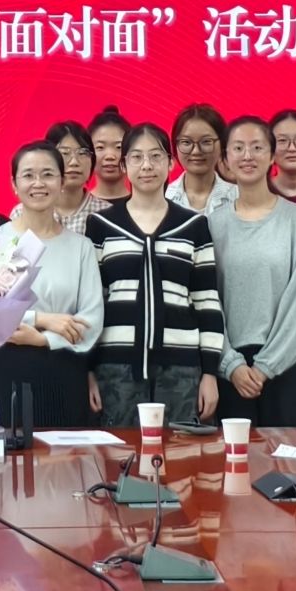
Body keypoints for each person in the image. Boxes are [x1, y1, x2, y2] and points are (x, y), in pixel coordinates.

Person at [86, 122, 223, 425]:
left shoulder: (193, 225)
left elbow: (207, 301)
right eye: (136, 157)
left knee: (181, 451)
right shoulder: (101, 225)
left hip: (181, 368)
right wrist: (89, 370)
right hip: (116, 368)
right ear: (124, 165)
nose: (146, 165)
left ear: (171, 163)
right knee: (120, 450)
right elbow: (92, 303)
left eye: (156, 156)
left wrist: (210, 373)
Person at [0, 142, 106, 427]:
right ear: (14, 184)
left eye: (48, 174)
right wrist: (41, 319)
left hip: (63, 370)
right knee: (8, 453)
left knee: (65, 453)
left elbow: (91, 319)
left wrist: (43, 339)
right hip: (4, 368)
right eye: (28, 175)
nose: (38, 183)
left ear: (62, 182)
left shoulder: (81, 247)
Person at [210, 115, 296, 426]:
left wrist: (266, 366)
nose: (248, 156)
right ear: (225, 158)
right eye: (238, 148)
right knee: (237, 456)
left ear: (272, 156)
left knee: (291, 457)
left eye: (257, 147)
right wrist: (230, 364)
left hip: (289, 364)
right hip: (233, 371)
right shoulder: (213, 224)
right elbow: (207, 301)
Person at [166, 103, 239, 215]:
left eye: (206, 142)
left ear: (222, 144)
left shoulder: (239, 197)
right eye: (186, 142)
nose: (196, 151)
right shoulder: (162, 198)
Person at [45, 120, 110, 233]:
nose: (74, 162)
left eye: (82, 153)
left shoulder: (108, 214)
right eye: (65, 153)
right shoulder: (25, 213)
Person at [87, 107, 131, 205]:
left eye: (119, 147)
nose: (110, 156)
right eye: (100, 147)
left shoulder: (144, 205)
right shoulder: (77, 206)